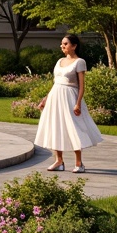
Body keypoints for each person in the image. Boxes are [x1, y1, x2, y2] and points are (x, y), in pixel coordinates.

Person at [34, 33, 103, 172]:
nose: (62, 46)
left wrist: (77, 103)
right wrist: (45, 99)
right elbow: (56, 83)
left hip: (70, 97)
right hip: (55, 97)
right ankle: (59, 161)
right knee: (55, 127)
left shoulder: (80, 62)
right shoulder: (59, 61)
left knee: (74, 128)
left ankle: (79, 163)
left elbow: (82, 86)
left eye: (65, 44)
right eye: (62, 43)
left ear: (74, 46)